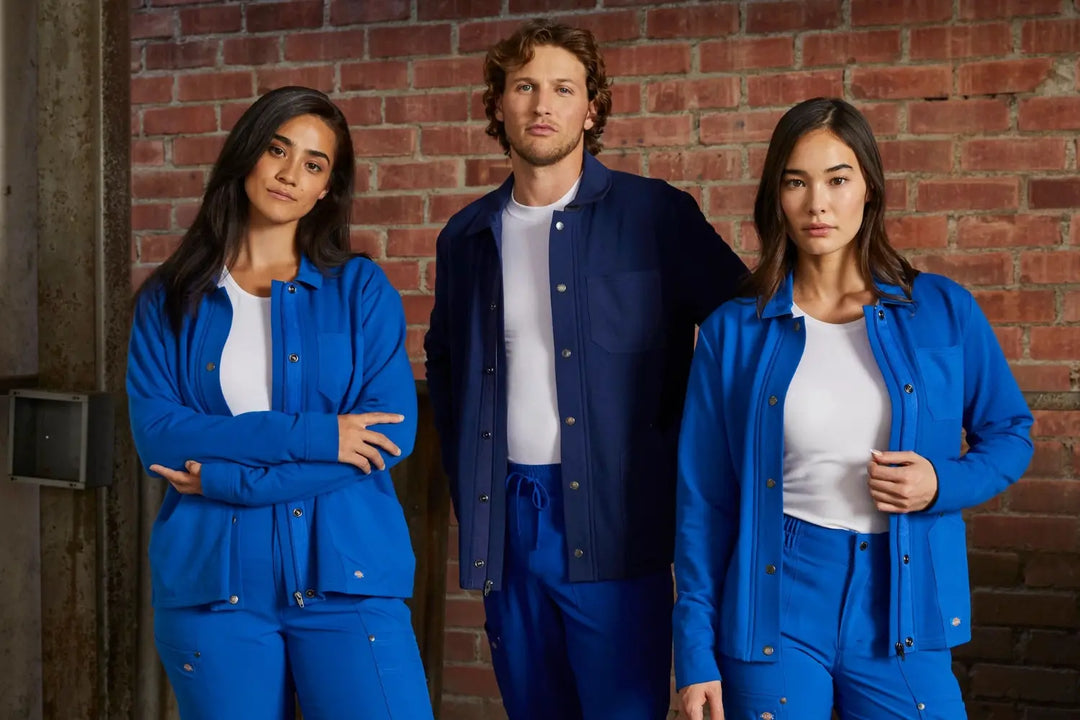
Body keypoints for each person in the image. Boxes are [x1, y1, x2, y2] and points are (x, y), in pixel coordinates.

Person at [424, 19, 747, 720]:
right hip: (511, 522)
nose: (543, 104)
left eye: (563, 88)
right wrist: (470, 478)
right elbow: (446, 368)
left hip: (618, 518)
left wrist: (681, 442)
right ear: (499, 106)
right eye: (525, 87)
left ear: (590, 108)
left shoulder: (656, 215)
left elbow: (743, 329)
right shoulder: (468, 237)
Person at [673, 97, 1034, 720]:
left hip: (904, 593)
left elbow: (1011, 433)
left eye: (838, 180)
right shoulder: (734, 332)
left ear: (869, 188)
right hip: (773, 595)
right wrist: (694, 651)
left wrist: (940, 482)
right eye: (796, 181)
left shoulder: (943, 311)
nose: (818, 203)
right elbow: (703, 501)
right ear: (776, 197)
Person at [126, 86, 434, 720]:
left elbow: (388, 437)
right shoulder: (169, 299)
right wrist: (320, 437)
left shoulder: (360, 290)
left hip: (349, 581)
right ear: (247, 156)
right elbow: (161, 435)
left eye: (314, 164)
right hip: (214, 590)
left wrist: (223, 480)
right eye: (278, 150)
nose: (291, 174)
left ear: (328, 188)